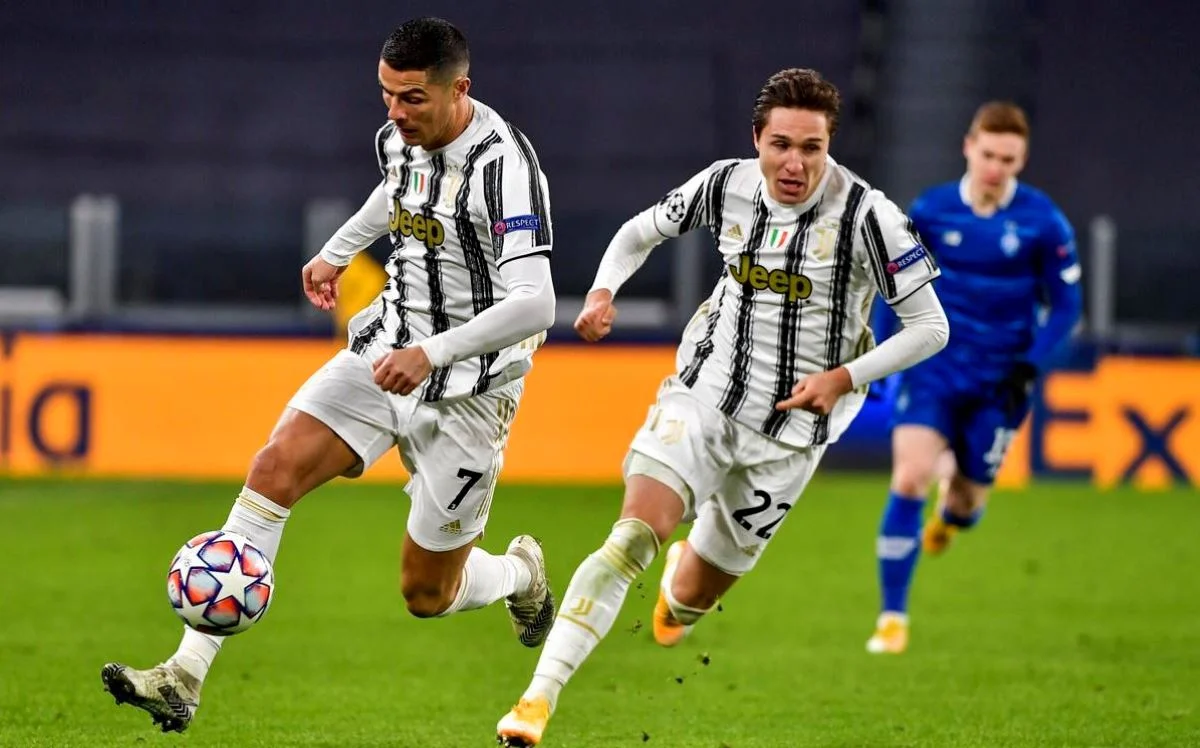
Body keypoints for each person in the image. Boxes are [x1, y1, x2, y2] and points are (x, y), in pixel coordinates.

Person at [101, 17, 558, 732]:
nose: (394, 112)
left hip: (470, 391)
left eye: (412, 98)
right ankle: (183, 676)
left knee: (427, 594)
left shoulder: (506, 168)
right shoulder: (399, 138)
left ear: (459, 90)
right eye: (386, 94)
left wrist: (433, 353)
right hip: (384, 350)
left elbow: (537, 304)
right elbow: (396, 191)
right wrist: (339, 250)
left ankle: (520, 574)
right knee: (274, 467)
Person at [495, 67, 950, 747]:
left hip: (791, 439)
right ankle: (535, 702)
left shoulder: (868, 216)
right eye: (781, 145)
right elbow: (639, 231)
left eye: (812, 148)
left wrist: (843, 377)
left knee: (687, 605)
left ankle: (681, 586)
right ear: (757, 138)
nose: (795, 164)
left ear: (829, 146)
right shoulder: (725, 185)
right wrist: (602, 291)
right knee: (630, 539)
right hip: (704, 399)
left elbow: (931, 327)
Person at [866, 101, 1083, 655]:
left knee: (967, 502)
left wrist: (1032, 363)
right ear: (969, 147)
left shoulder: (1043, 221)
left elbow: (1066, 306)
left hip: (1001, 379)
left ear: (1022, 160)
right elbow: (896, 285)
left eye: (1008, 159)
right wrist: (882, 351)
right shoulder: (932, 210)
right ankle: (892, 618)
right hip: (935, 366)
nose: (995, 168)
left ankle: (950, 514)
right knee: (909, 476)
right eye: (988, 155)